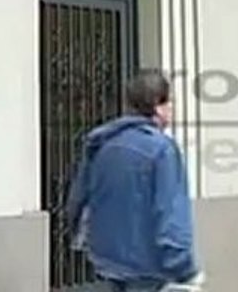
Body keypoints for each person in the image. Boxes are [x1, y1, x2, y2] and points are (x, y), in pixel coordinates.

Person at [66, 69, 203, 292]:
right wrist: (185, 269)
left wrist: (84, 241)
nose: (173, 109)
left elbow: (77, 200)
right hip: (148, 269)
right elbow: (171, 214)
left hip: (107, 261)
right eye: (170, 102)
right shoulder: (162, 151)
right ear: (159, 107)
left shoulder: (102, 144)